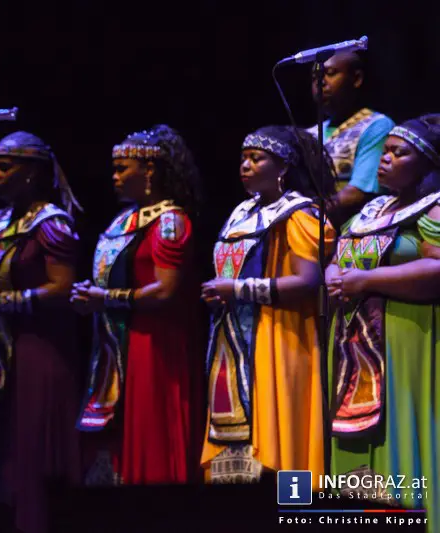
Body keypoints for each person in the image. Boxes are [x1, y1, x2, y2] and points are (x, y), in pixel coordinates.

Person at [200, 126, 335, 487]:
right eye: (243, 158)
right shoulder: (241, 212)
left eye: (256, 158)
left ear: (283, 167)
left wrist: (238, 289)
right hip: (234, 335)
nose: (245, 165)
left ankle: (289, 510)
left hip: (279, 335)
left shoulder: (298, 214)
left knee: (278, 424)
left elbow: (308, 281)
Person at [70, 124, 203, 484]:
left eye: (121, 169)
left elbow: (165, 290)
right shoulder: (123, 220)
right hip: (119, 338)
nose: (114, 177)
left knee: (151, 420)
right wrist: (91, 298)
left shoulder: (171, 221)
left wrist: (105, 299)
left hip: (155, 341)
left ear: (149, 171)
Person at [326, 115, 440, 528]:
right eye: (385, 151)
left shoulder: (434, 208)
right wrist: (333, 275)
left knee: (400, 428)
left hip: (406, 335)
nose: (386, 159)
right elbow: (338, 256)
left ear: (426, 162)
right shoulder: (373, 208)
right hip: (352, 342)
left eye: (399, 152)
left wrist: (367, 280)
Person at [0, 131, 83, 533]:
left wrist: (8, 301)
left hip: (37, 348)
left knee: (31, 443)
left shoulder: (52, 223)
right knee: (0, 445)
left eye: (6, 167)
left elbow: (62, 287)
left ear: (33, 173)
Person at [307, 51, 395, 227]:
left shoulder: (376, 126)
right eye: (315, 76)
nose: (320, 82)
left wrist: (304, 214)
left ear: (356, 79)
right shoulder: (309, 133)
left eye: (330, 74)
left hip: (352, 228)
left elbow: (358, 194)